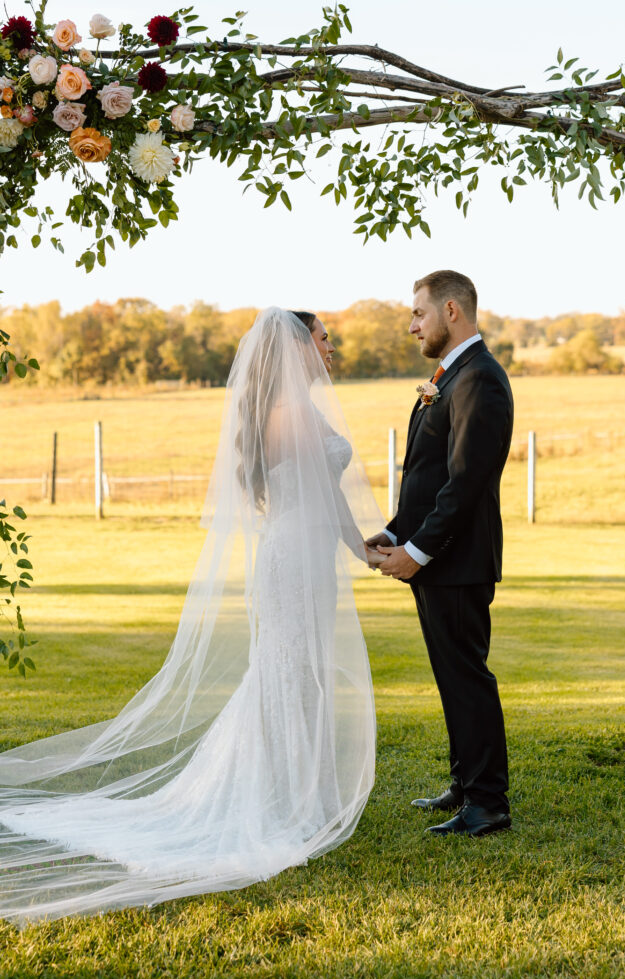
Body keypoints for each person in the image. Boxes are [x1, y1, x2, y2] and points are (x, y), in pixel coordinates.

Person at [0, 307, 383, 925]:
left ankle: (298, 794)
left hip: (313, 559)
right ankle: (284, 801)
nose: (332, 349)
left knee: (300, 671)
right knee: (286, 672)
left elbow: (330, 494)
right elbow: (319, 485)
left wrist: (360, 549)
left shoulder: (299, 408)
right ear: (294, 349)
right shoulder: (286, 414)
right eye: (323, 339)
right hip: (291, 561)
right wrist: (353, 544)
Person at [367, 271, 514, 837]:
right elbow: (428, 476)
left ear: (451, 311)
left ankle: (488, 805)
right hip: (438, 559)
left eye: (418, 314)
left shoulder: (480, 380)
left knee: (467, 678)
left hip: (457, 561)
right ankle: (465, 782)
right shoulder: (449, 377)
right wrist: (393, 532)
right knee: (450, 677)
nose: (412, 326)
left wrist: (419, 552)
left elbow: (465, 483)